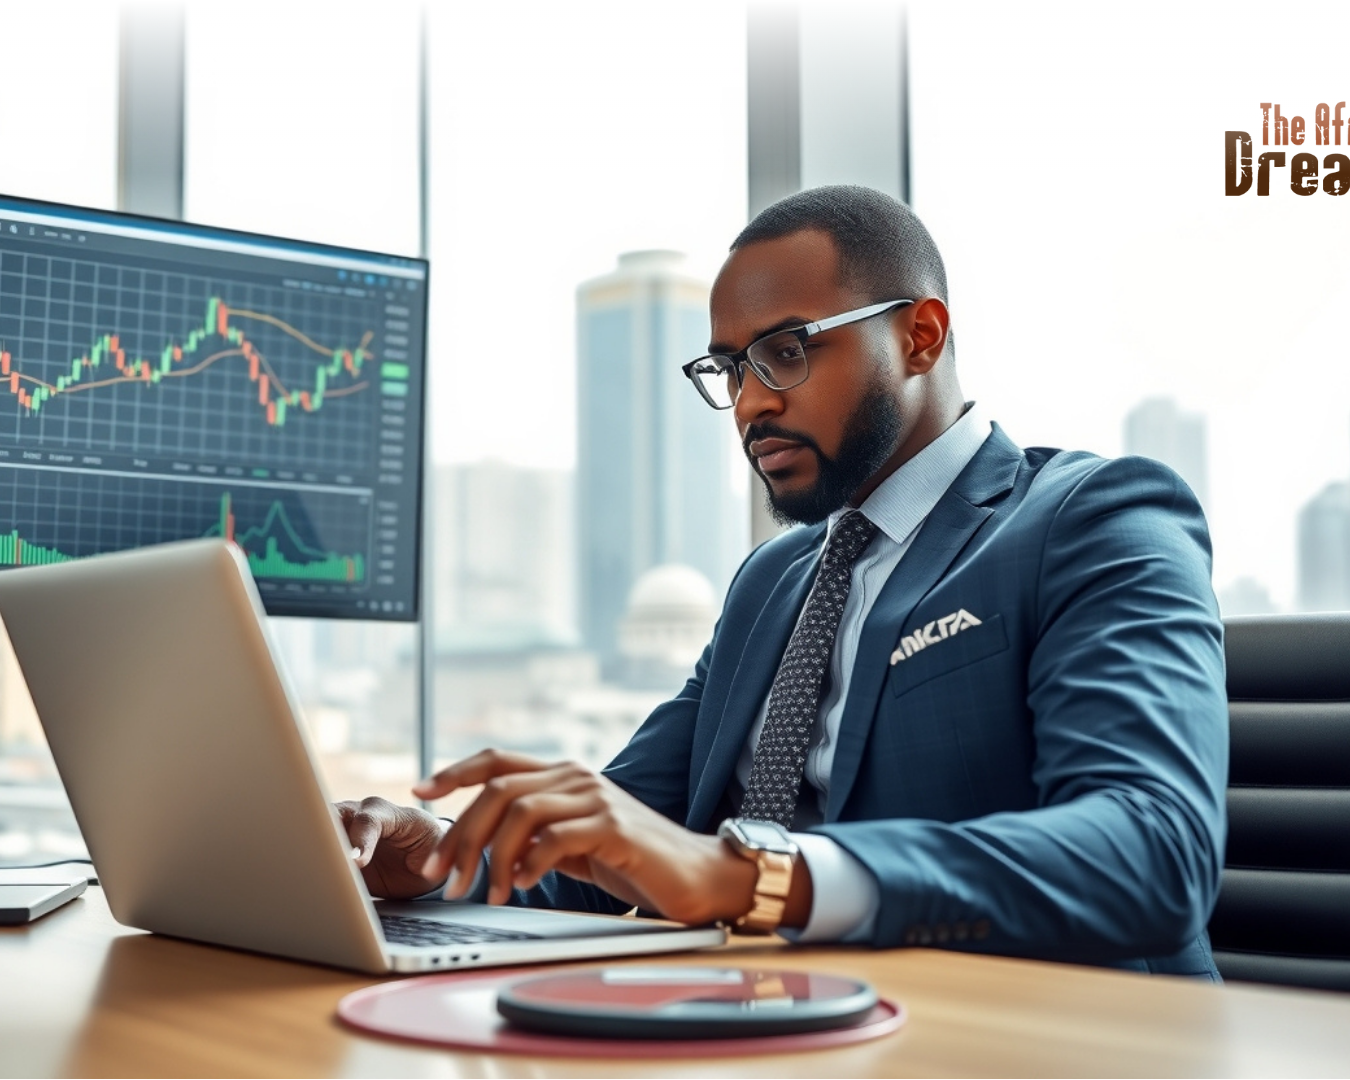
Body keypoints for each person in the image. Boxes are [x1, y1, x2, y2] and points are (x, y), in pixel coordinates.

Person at [338, 185, 1227, 976]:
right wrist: (439, 859)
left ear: (920, 336)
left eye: (788, 351)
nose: (753, 401)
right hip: (783, 1027)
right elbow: (617, 851)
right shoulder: (772, 581)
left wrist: (751, 878)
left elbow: (1154, 852)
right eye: (730, 368)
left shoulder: (1094, 517)